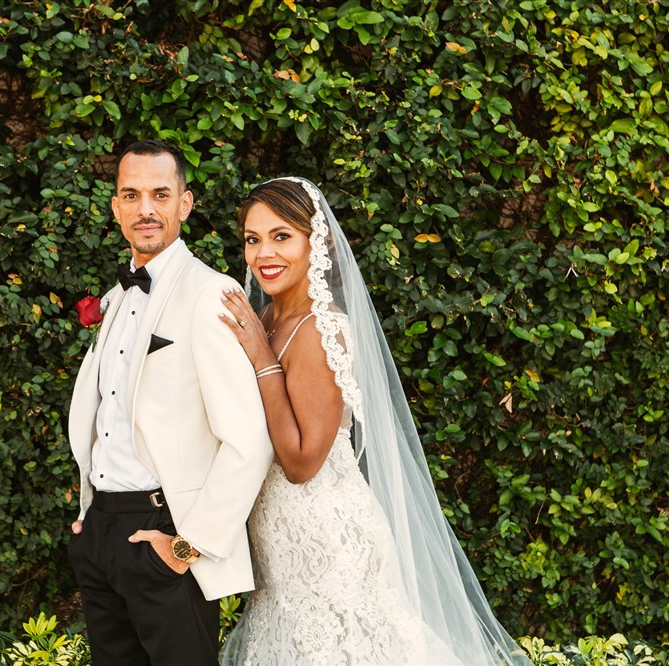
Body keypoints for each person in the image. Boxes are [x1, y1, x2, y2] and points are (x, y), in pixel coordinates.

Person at [218, 177, 533, 665]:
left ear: (314, 242)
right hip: (281, 554)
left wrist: (261, 358)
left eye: (282, 236)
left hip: (328, 545)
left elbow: (302, 463)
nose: (264, 253)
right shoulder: (266, 321)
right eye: (253, 238)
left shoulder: (322, 330)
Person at [66, 139, 274, 666]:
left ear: (185, 203)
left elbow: (249, 440)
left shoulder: (210, 293)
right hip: (101, 534)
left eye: (161, 194)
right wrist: (90, 517)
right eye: (131, 195)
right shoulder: (113, 300)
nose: (146, 209)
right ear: (115, 206)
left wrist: (187, 547)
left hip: (164, 535)